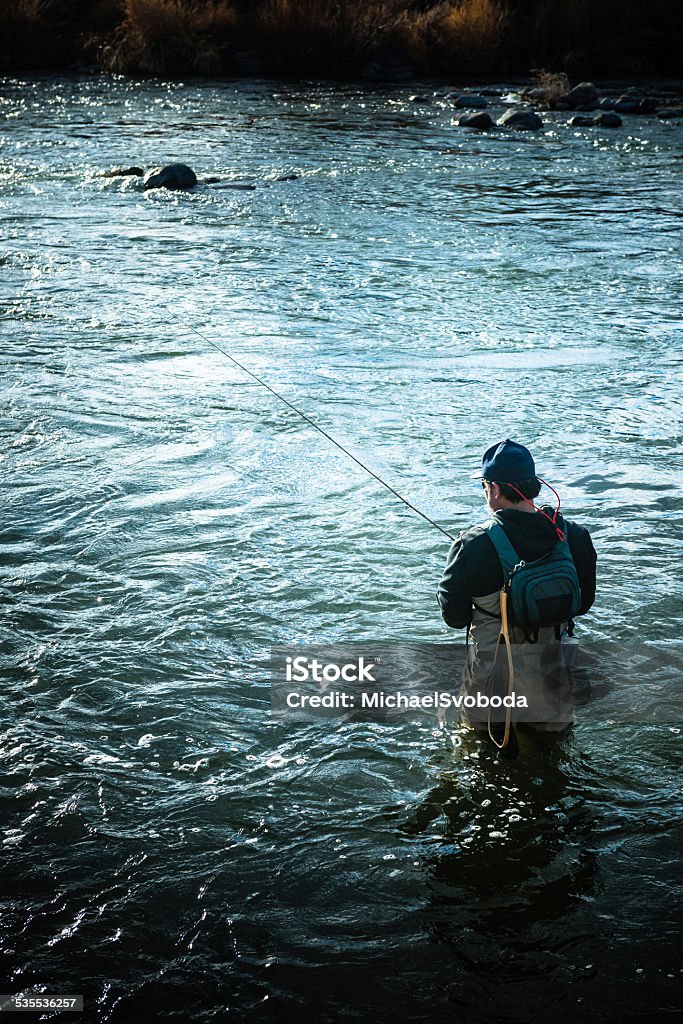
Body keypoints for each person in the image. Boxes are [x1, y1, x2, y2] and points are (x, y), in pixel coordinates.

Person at [437, 439, 597, 748]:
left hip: (491, 683)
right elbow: (583, 603)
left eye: (484, 485)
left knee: (481, 759)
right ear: (534, 485)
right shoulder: (575, 536)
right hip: (552, 680)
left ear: (495, 489)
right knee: (553, 762)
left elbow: (454, 618)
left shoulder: (472, 545)